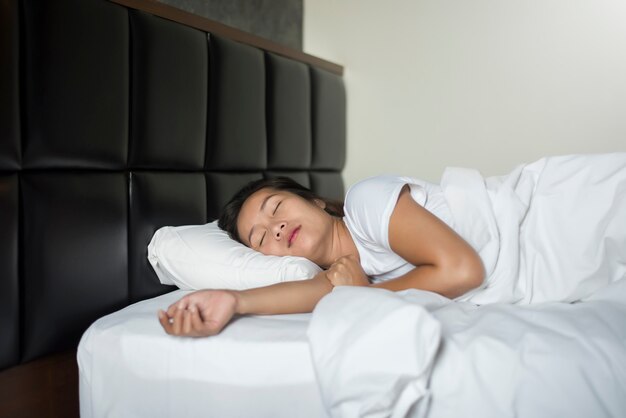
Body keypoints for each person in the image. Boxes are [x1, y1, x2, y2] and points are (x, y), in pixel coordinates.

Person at [158, 153, 626, 337]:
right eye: (261, 239)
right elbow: (307, 293)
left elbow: (463, 270)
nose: (274, 229)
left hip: (562, 214)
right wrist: (231, 301)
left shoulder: (366, 202)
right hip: (561, 262)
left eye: (276, 208)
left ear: (317, 201)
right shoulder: (341, 276)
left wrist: (363, 297)